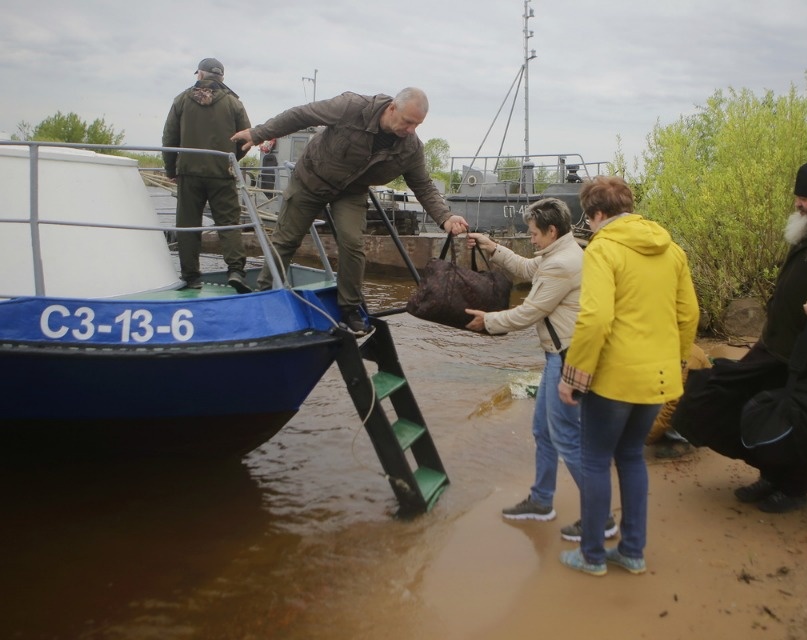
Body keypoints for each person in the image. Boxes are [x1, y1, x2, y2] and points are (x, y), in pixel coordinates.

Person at [672, 160, 807, 514]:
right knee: (734, 397)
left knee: (802, 421)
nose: (798, 204)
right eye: (798, 196)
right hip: (777, 345)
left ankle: (795, 489)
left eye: (805, 198)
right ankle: (771, 474)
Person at [231, 88, 469, 334]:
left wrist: (446, 217)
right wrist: (259, 133)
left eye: (417, 125)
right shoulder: (351, 107)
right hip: (311, 179)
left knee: (353, 243)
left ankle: (350, 308)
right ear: (391, 109)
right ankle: (264, 293)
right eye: (408, 122)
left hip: (351, 190)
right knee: (286, 240)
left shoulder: (411, 148)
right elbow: (302, 115)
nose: (411, 130)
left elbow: (423, 185)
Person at [557, 176, 699, 576]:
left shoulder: (603, 248)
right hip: (658, 377)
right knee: (632, 457)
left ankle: (592, 556)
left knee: (596, 460)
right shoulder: (671, 250)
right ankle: (633, 551)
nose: (591, 226)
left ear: (598, 214)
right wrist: (679, 362)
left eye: (590, 219)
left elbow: (596, 316)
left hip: (614, 380)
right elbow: (689, 315)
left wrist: (573, 376)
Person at [465, 198, 617, 542]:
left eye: (533, 233)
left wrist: (487, 321)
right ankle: (542, 499)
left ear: (551, 230)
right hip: (559, 355)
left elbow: (528, 313)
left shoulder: (562, 264)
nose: (530, 239)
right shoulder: (561, 253)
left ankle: (602, 518)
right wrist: (493, 248)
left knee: (564, 435)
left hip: (565, 357)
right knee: (544, 431)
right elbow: (527, 268)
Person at [162, 57, 252, 293]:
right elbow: (246, 140)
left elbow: (169, 139)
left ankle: (191, 277)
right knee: (229, 224)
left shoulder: (181, 100)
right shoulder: (234, 103)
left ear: (200, 75)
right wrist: (229, 161)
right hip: (221, 173)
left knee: (188, 225)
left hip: (188, 173)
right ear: (221, 77)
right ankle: (235, 271)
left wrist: (172, 170)